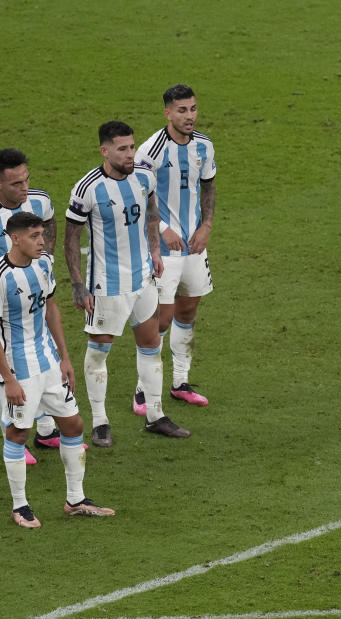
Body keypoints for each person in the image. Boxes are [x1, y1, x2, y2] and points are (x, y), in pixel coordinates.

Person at [0, 212, 114, 527]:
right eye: (34, 236)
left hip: (48, 362)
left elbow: (51, 309)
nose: (42, 241)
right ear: (15, 238)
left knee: (73, 425)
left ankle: (76, 499)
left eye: (42, 234)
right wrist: (9, 380)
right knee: (18, 433)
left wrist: (64, 358)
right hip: (19, 367)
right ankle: (20, 506)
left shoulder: (43, 265)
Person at [64, 121, 189, 446]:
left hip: (143, 279)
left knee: (151, 347)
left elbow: (150, 212)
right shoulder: (87, 188)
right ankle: (100, 422)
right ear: (105, 150)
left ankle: (155, 415)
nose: (130, 153)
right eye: (122, 148)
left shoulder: (144, 177)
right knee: (98, 353)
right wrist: (78, 284)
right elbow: (71, 238)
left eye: (132, 146)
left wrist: (155, 250)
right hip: (107, 286)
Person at [0, 149, 60, 463]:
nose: (24, 188)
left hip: (35, 299)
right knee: (8, 369)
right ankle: (13, 436)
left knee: (42, 361)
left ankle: (45, 430)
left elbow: (49, 220)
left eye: (26, 179)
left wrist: (48, 257)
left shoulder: (39, 199)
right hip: (2, 307)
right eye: (16, 183)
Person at [132, 84, 216, 413]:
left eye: (193, 109)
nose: (189, 116)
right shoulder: (149, 151)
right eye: (182, 110)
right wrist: (163, 229)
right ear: (167, 112)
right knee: (160, 320)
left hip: (194, 245)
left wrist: (207, 226)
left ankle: (180, 381)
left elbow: (208, 187)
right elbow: (138, 195)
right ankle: (142, 390)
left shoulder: (204, 147)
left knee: (188, 311)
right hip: (163, 248)